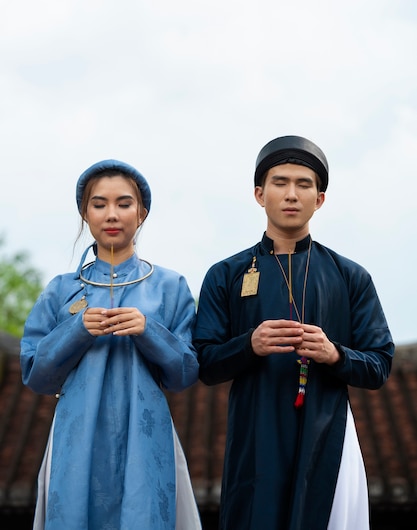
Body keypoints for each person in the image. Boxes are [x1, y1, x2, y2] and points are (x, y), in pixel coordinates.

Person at [193, 135, 394, 530]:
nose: (291, 194)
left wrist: (335, 354)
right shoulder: (227, 274)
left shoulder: (349, 276)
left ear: (319, 199)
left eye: (304, 185)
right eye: (280, 182)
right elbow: (204, 363)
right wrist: (249, 345)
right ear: (259, 194)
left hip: (327, 433)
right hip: (255, 437)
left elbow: (380, 364)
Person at [21, 159, 202, 530]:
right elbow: (35, 375)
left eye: (124, 203)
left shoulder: (170, 286)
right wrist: (76, 329)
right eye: (99, 204)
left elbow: (185, 373)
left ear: (142, 212)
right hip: (76, 434)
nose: (112, 214)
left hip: (145, 435)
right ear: (85, 214)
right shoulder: (61, 289)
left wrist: (148, 330)